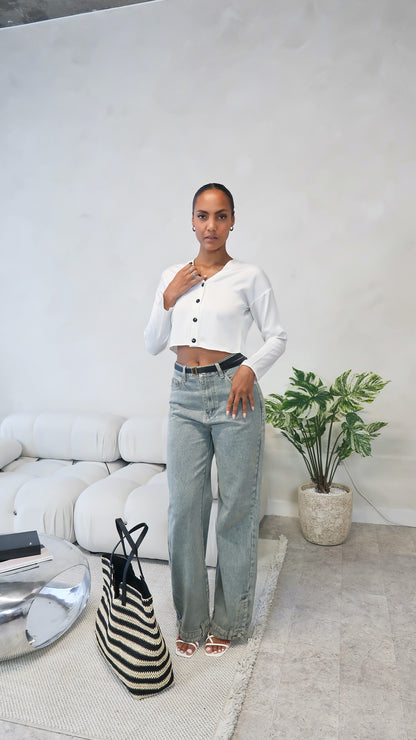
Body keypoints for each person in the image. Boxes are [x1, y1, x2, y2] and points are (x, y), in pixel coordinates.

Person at [144, 183, 287, 657]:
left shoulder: (249, 276)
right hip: (183, 394)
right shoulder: (172, 276)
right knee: (185, 510)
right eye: (203, 216)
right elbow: (151, 343)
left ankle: (229, 620)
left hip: (234, 394)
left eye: (221, 216)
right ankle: (191, 619)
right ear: (191, 220)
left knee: (236, 509)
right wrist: (168, 298)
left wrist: (249, 369)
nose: (211, 226)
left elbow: (277, 336)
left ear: (232, 222)